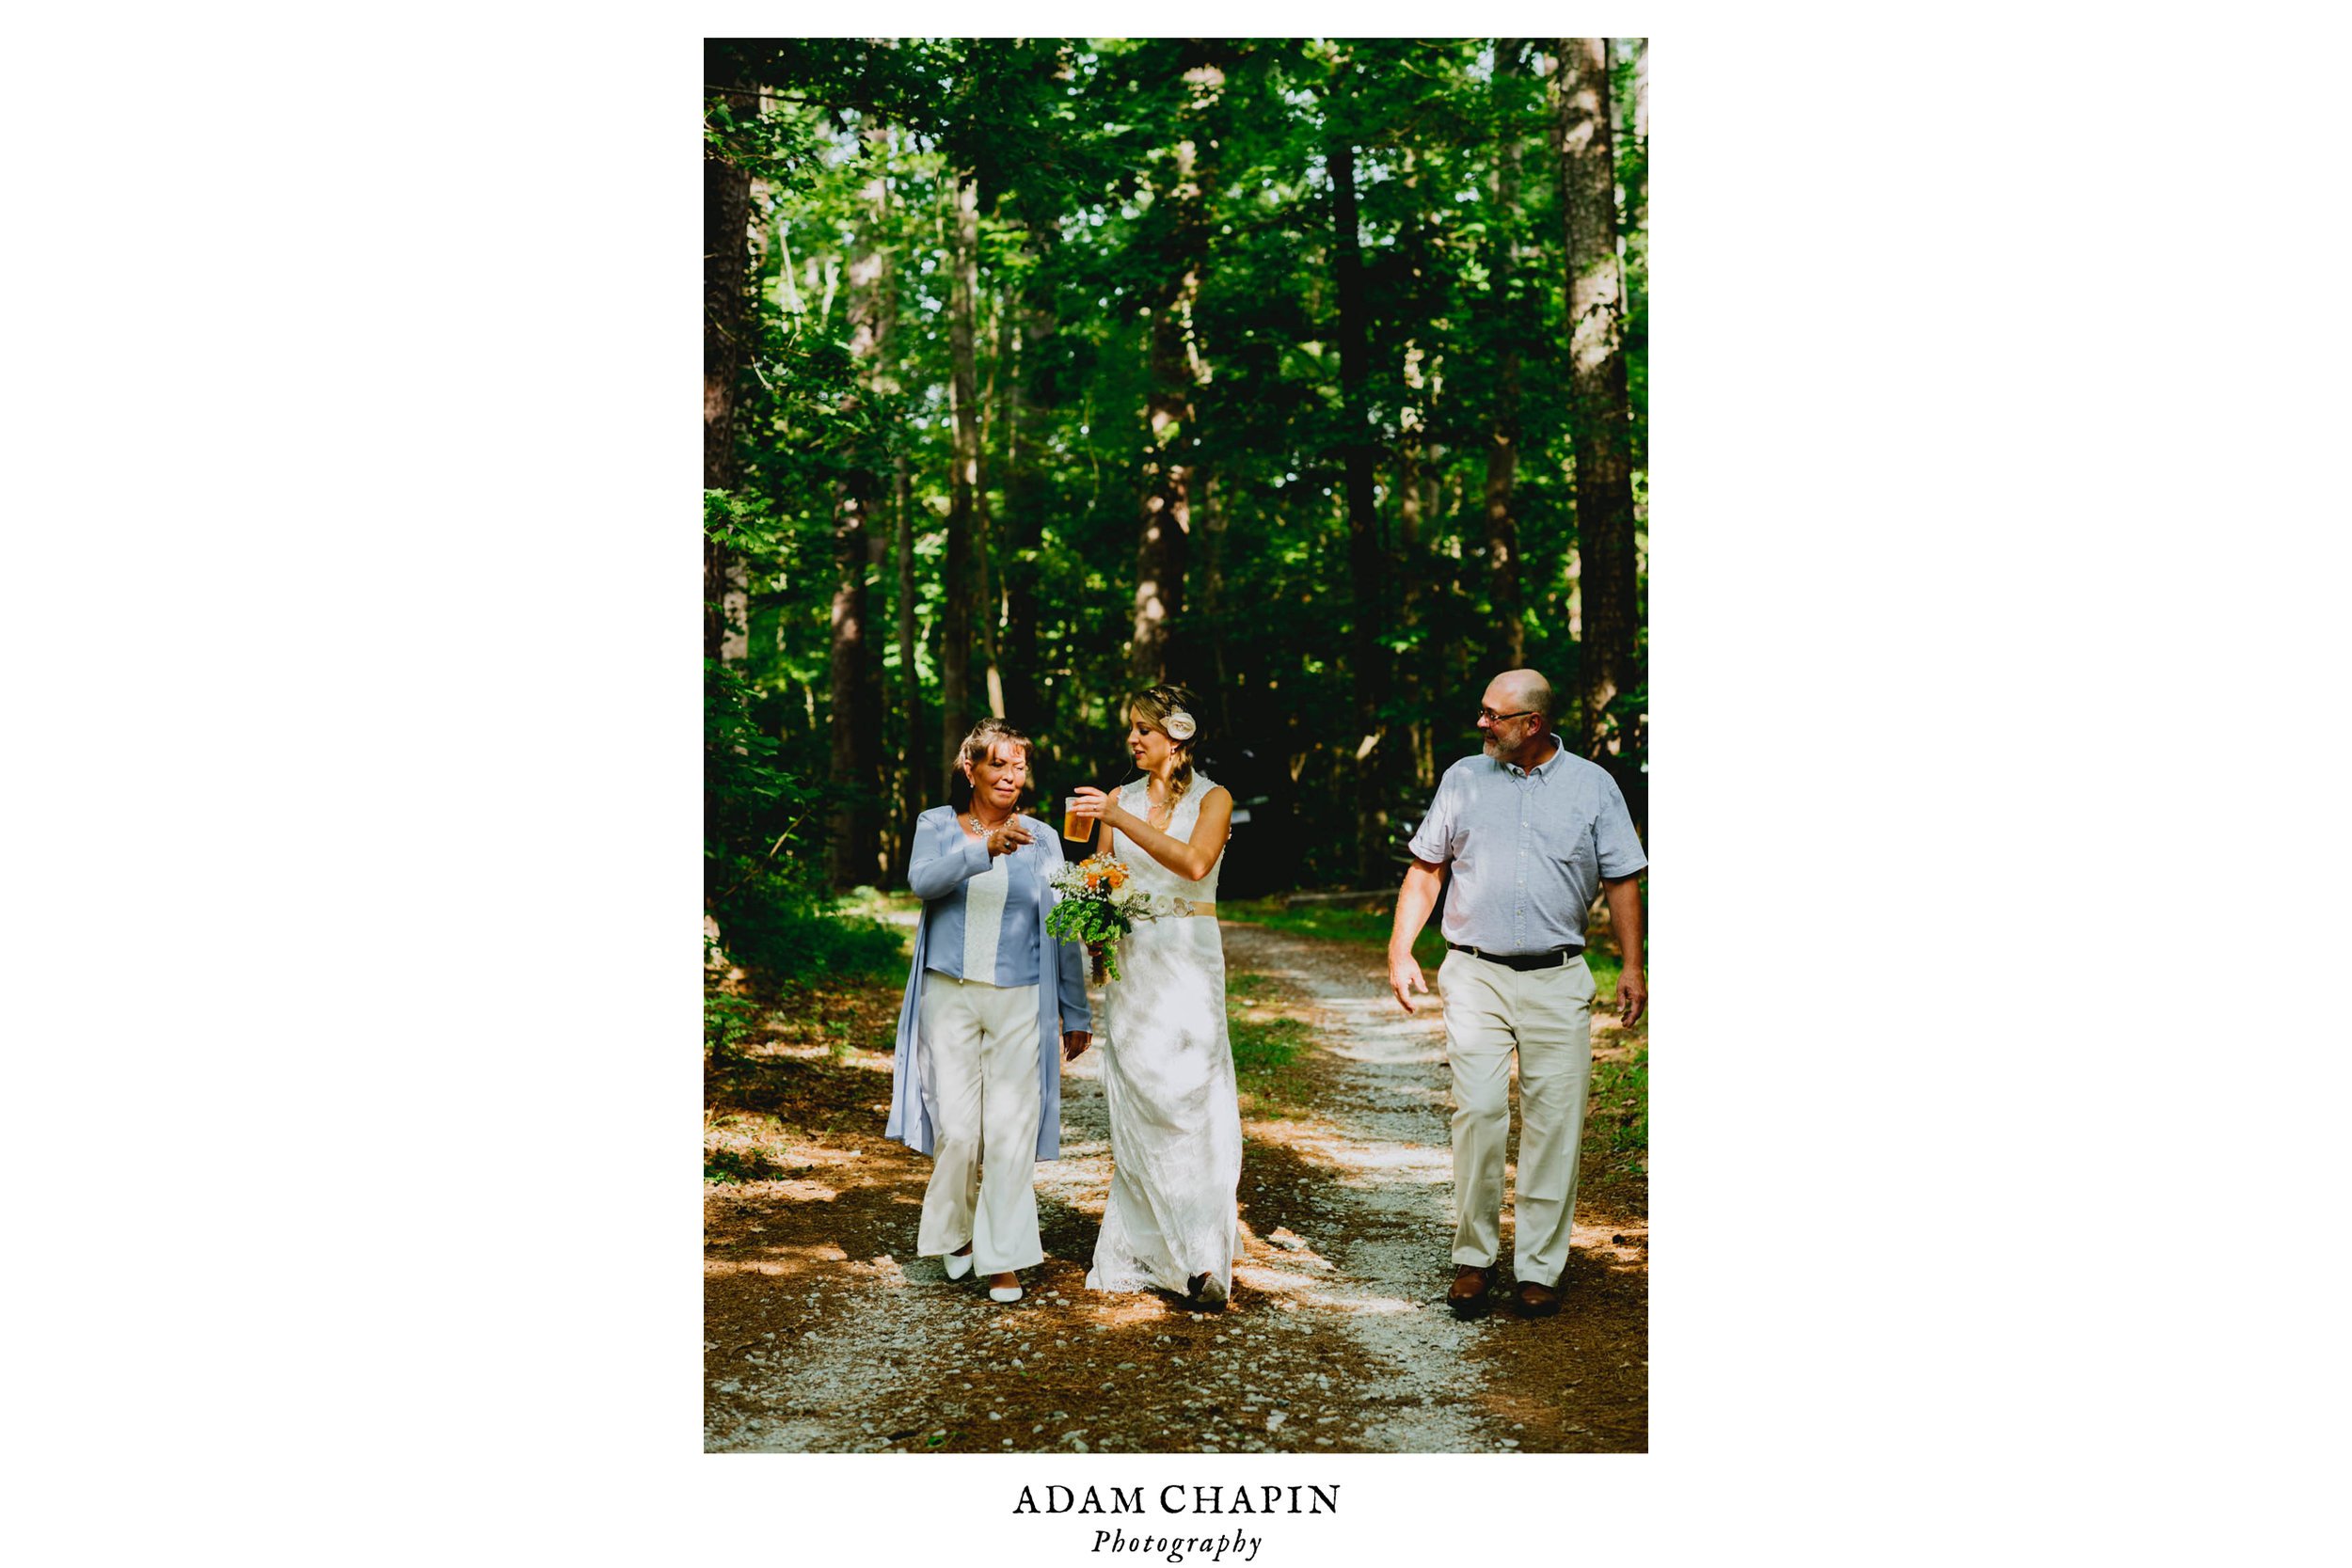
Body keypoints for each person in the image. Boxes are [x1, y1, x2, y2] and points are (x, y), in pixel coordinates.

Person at [1386, 669, 1647, 1320]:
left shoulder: (1593, 786)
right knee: (1477, 1112)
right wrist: (1399, 949)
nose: (1481, 723)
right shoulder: (1464, 779)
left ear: (1532, 724)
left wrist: (1633, 965)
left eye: (1493, 715)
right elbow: (1427, 869)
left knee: (1556, 1123)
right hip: (1475, 971)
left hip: (1559, 976)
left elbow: (1622, 880)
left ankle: (1539, 1267)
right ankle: (1473, 1259)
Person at [885, 719, 1094, 1306]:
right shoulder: (936, 824)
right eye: (997, 764)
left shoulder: (1044, 837)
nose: (1010, 776)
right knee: (958, 1128)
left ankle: (1003, 1258)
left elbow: (1062, 925)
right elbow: (923, 882)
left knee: (1008, 1130)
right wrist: (983, 849)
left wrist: (1073, 1009)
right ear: (970, 769)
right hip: (947, 992)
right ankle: (955, 1233)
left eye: (1019, 766)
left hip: (1020, 998)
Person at [1065, 684, 1243, 1308]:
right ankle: (1151, 1249)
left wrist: (1117, 819)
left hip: (1189, 956)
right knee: (1140, 1093)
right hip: (1134, 962)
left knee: (1189, 1094)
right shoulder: (1119, 798)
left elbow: (1196, 864)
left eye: (1144, 728)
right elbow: (1102, 878)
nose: (1133, 740)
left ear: (1181, 734)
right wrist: (1090, 919)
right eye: (1130, 729)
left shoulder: (1213, 798)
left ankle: (1201, 1253)